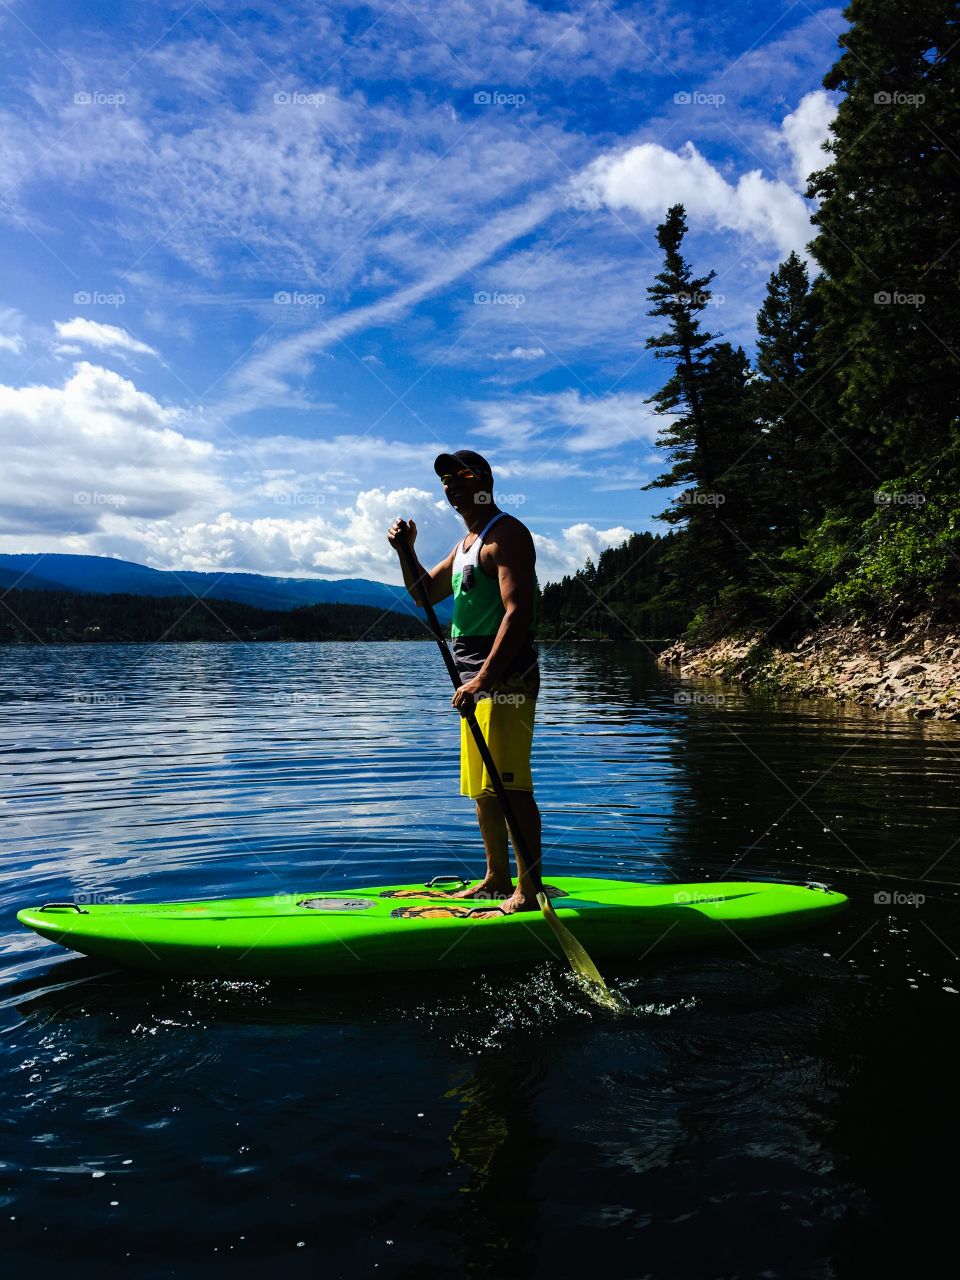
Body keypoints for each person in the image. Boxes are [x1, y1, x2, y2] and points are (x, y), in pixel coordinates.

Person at [387, 449, 543, 913]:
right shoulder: (465, 545)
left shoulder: (507, 534)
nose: (452, 483)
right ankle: (496, 877)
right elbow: (422, 596)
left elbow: (518, 614)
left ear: (485, 481)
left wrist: (485, 679)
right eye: (446, 478)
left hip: (505, 677)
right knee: (483, 786)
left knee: (510, 784)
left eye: (462, 474)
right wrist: (405, 551)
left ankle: (529, 890)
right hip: (473, 678)